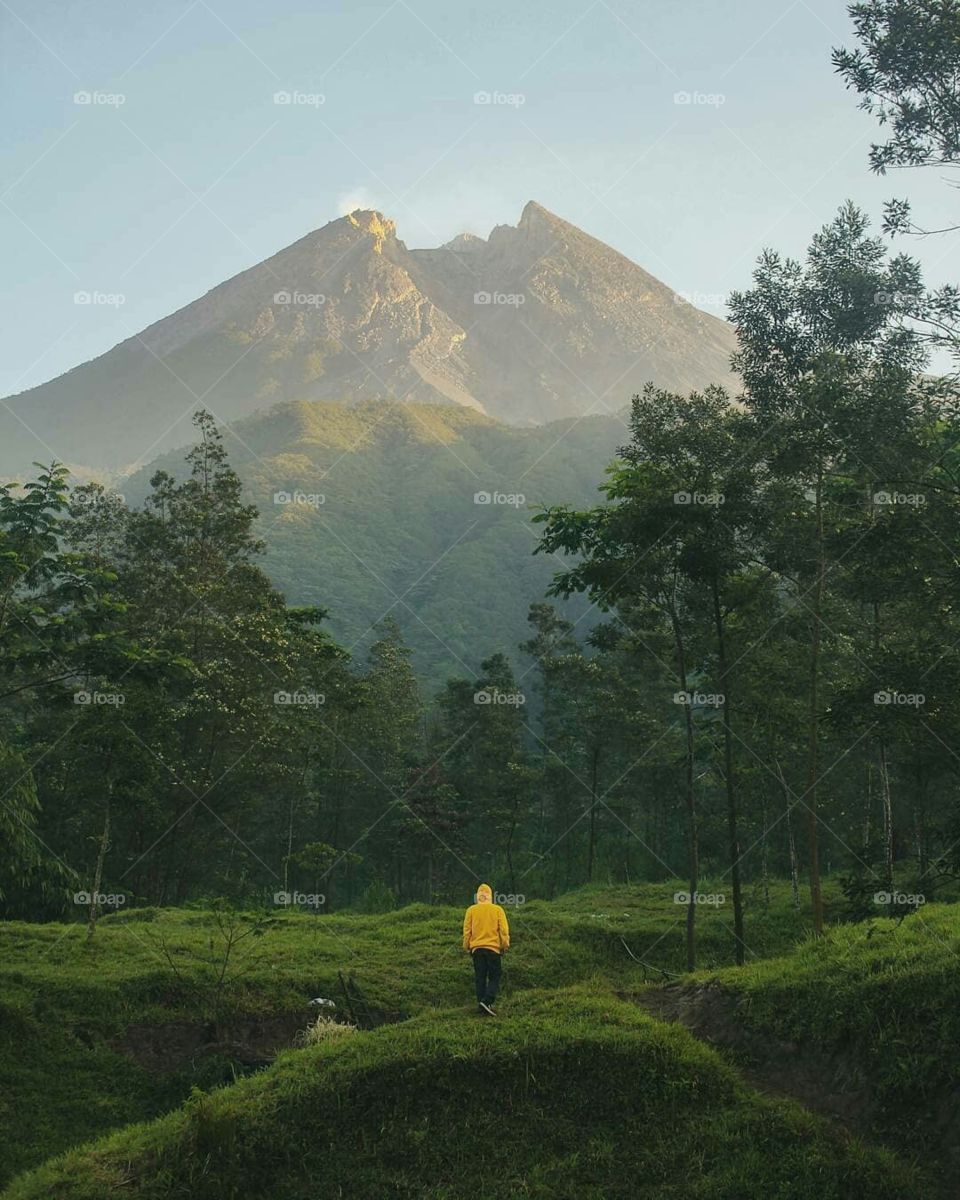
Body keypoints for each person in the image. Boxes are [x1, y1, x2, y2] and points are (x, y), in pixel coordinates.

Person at [462, 883, 510, 1015]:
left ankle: (482, 1004)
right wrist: (504, 945)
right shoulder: (497, 910)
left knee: (480, 977)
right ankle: (487, 1000)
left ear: (478, 896)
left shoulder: (471, 910)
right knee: (495, 976)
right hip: (493, 949)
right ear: (490, 895)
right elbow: (504, 930)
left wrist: (467, 946)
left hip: (476, 949)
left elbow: (467, 931)